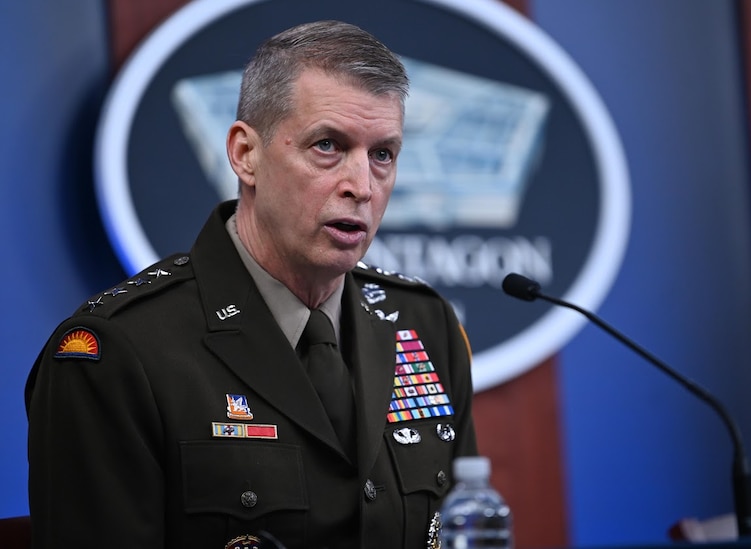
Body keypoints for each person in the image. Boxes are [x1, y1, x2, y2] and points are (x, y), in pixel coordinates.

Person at [25, 20, 477, 549]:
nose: (362, 186)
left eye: (383, 155)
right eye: (328, 145)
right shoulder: (118, 353)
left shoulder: (425, 322)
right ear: (245, 154)